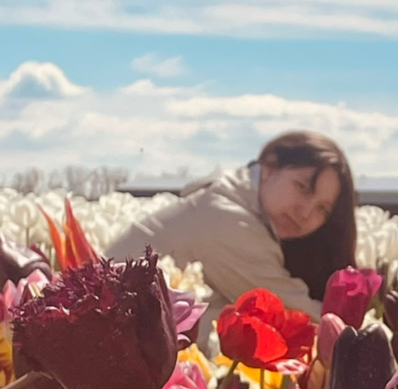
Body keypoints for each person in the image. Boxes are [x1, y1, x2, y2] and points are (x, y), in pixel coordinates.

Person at [105, 131, 357, 348]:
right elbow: (306, 321)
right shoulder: (229, 220)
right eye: (302, 187)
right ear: (269, 167)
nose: (306, 214)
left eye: (322, 209)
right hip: (113, 346)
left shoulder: (229, 196)